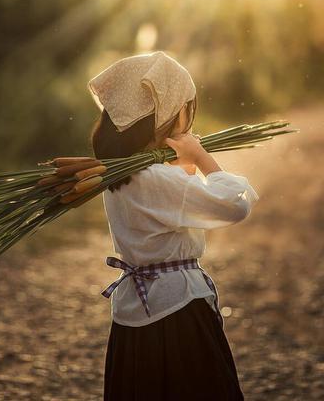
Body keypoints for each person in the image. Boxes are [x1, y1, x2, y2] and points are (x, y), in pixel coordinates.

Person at [88, 51, 259, 400]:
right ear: (164, 117)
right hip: (178, 313)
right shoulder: (157, 179)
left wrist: (184, 171)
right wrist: (203, 159)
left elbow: (164, 206)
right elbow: (234, 206)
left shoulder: (117, 176)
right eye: (186, 109)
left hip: (134, 315)